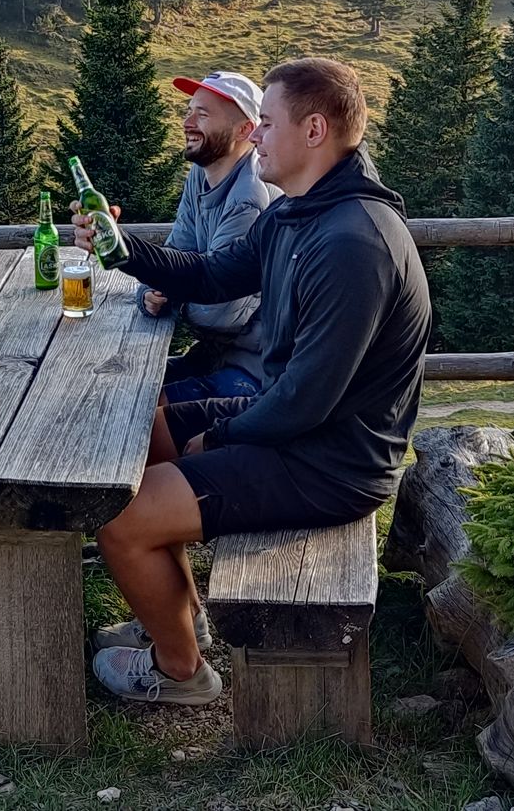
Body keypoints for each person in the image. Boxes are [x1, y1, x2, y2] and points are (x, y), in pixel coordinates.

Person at [74, 57, 432, 705]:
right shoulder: (298, 212)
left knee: (121, 515)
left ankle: (181, 671)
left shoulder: (354, 242)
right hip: (301, 428)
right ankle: (180, 615)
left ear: (315, 129)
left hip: (332, 462)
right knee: (148, 418)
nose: (255, 136)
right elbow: (212, 275)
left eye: (266, 123)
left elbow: (305, 399)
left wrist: (218, 436)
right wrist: (119, 247)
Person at [142, 72, 276, 405]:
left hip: (253, 369)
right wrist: (150, 289)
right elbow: (174, 254)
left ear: (245, 129)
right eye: (190, 111)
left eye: (202, 115)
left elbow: (217, 313)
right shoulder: (199, 178)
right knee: (127, 390)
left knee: (141, 411)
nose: (187, 122)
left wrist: (168, 292)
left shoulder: (250, 196)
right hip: (216, 354)